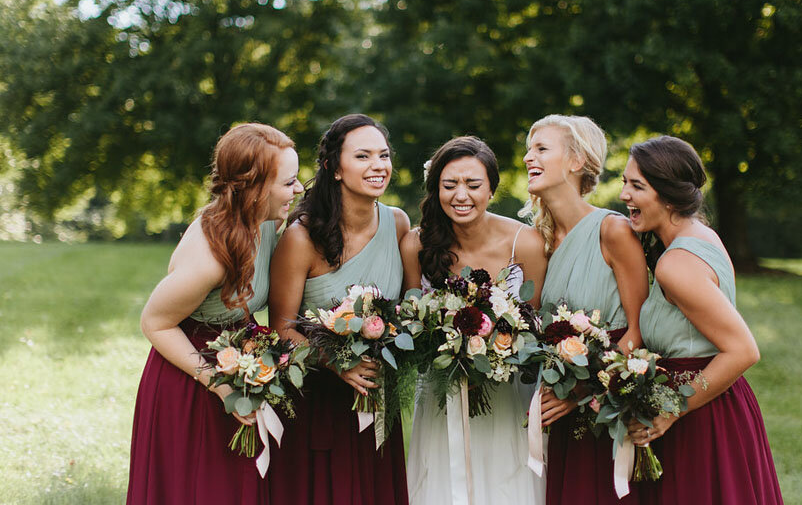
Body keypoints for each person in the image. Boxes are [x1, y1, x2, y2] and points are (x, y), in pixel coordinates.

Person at [127, 123, 302, 504]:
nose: (299, 189)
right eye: (289, 182)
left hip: (240, 363)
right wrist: (222, 386)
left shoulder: (268, 221)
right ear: (255, 189)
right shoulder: (210, 256)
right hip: (190, 376)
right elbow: (154, 322)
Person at [620, 135, 783, 504]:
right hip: (714, 405)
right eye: (624, 182)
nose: (624, 195)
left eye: (636, 186)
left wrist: (671, 408)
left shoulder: (675, 265)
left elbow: (743, 350)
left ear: (667, 195)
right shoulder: (702, 236)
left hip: (699, 415)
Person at [268, 114, 410, 505]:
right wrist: (337, 360)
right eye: (362, 156)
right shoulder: (301, 237)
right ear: (334, 167)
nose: (378, 166)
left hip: (378, 395)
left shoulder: (397, 223)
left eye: (383, 155)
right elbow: (280, 328)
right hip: (318, 401)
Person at [401, 136, 548, 505]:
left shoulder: (525, 243)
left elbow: (535, 331)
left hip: (507, 396)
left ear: (492, 189)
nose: (460, 195)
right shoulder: (415, 245)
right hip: (440, 394)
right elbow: (410, 322)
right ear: (436, 189)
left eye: (473, 184)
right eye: (449, 185)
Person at [521, 114, 648, 505]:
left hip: (606, 407)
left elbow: (640, 333)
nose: (529, 157)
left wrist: (582, 391)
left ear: (576, 162)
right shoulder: (539, 242)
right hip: (561, 406)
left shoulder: (613, 231)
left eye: (542, 149)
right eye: (529, 149)